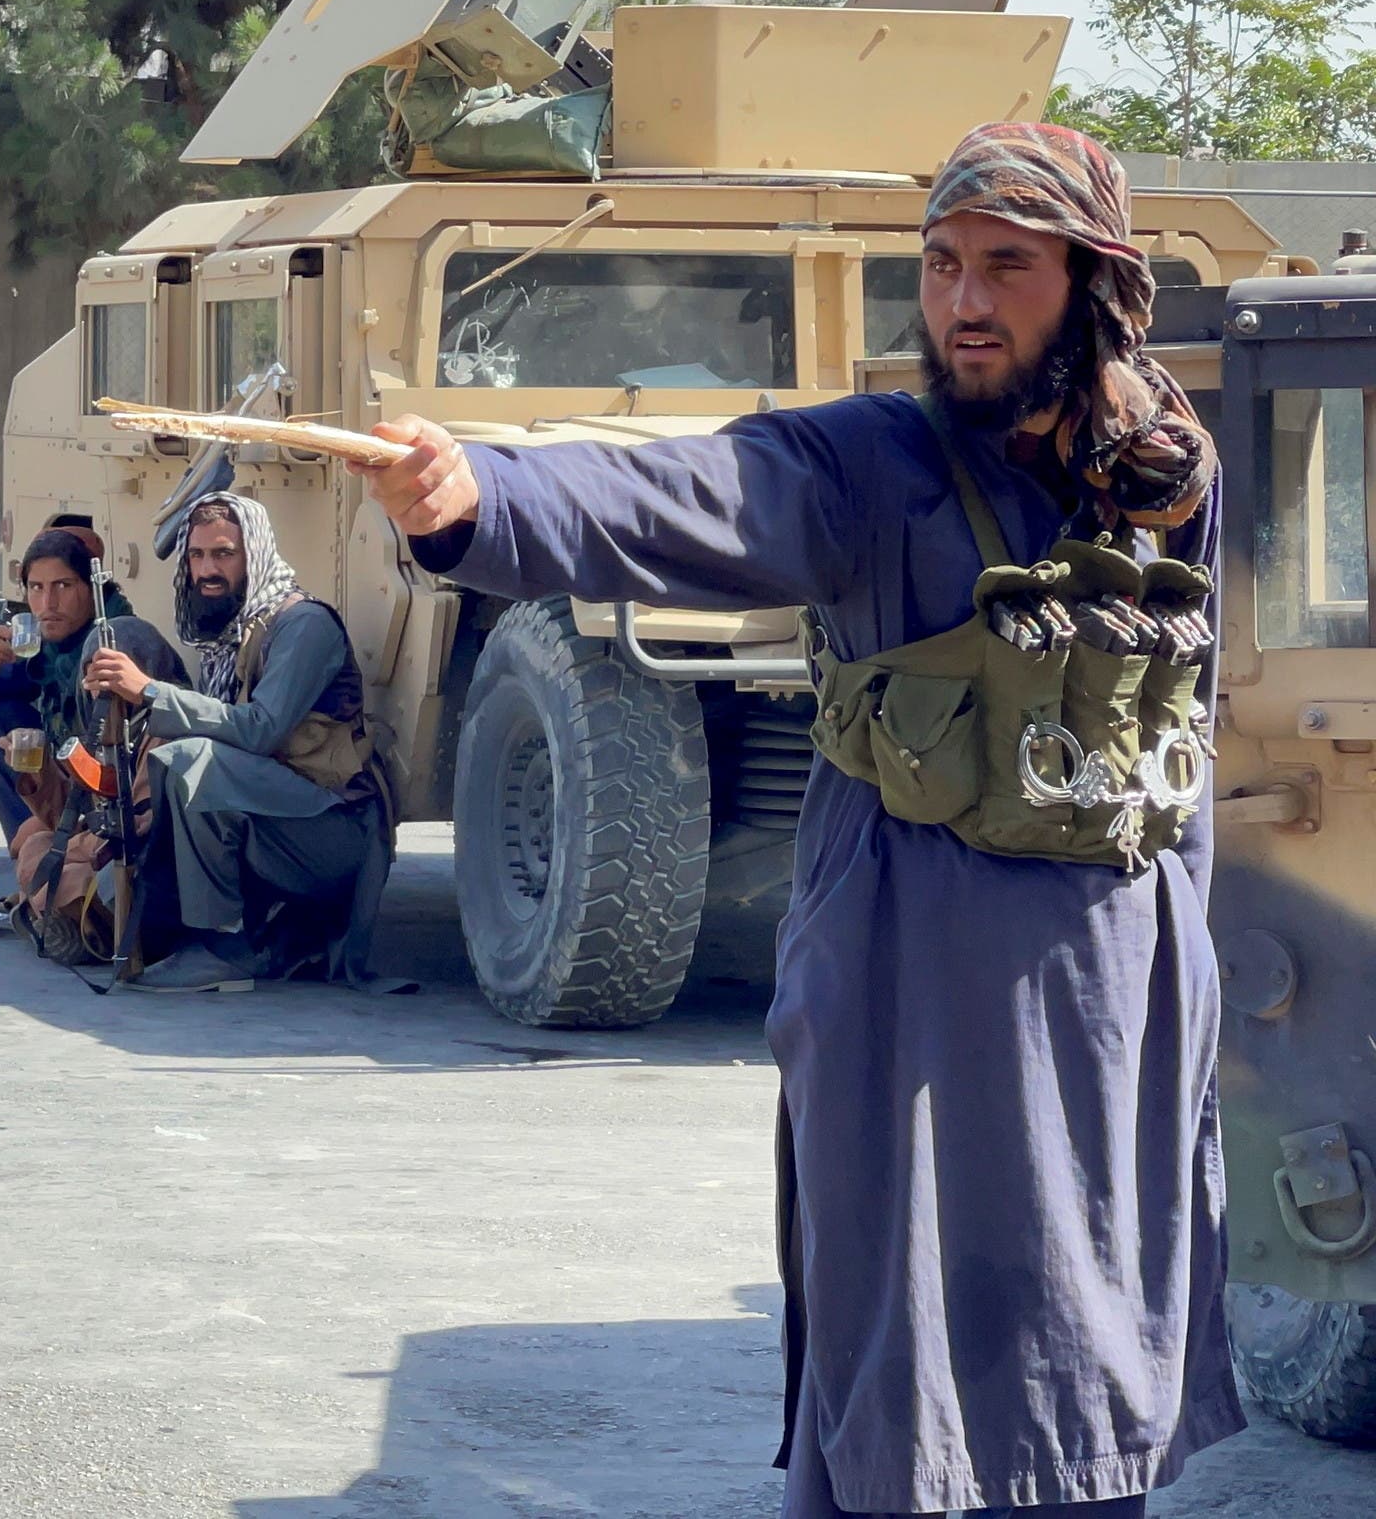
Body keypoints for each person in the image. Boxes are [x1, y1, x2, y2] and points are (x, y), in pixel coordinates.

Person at [358, 122, 1239, 1518]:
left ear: (1095, 278)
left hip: (1112, 992)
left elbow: (1191, 720)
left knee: (1091, 1357)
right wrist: (485, 495)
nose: (961, 298)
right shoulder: (872, 462)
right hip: (912, 991)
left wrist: (1195, 970)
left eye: (1006, 265)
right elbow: (690, 490)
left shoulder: (1168, 469)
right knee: (900, 1361)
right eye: (942, 262)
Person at [82, 493, 402, 995]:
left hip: (335, 828)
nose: (208, 570)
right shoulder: (232, 636)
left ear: (253, 553)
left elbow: (260, 729)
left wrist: (147, 690)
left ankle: (222, 948)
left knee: (192, 761)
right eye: (197, 556)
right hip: (282, 814)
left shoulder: (303, 625)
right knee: (116, 879)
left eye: (224, 554)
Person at [0, 525, 185, 958]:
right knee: (0, 723)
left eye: (63, 587)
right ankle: (49, 893)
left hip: (136, 805)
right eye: (36, 588)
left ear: (91, 589)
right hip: (77, 802)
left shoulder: (119, 634)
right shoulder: (39, 649)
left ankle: (68, 908)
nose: (47, 603)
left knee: (71, 855)